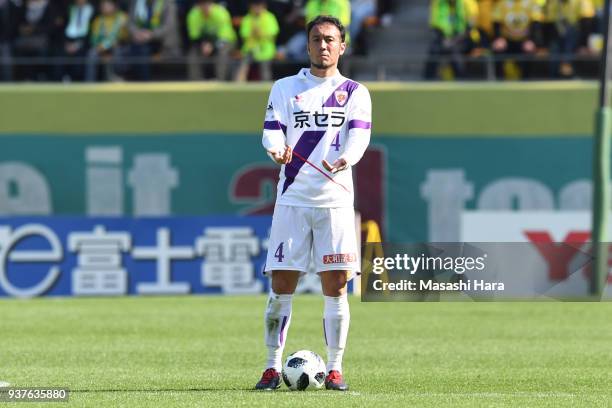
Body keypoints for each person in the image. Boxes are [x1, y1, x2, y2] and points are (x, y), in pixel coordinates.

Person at [254, 15, 371, 391]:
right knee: (282, 284)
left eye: (330, 39)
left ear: (342, 46)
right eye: (317, 39)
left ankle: (335, 368)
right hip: (292, 200)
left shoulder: (355, 92)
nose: (323, 45)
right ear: (307, 46)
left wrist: (346, 158)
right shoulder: (285, 88)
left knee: (336, 285)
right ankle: (272, 368)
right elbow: (272, 131)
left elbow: (358, 137)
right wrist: (276, 151)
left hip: (335, 201)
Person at [186, 0, 236, 80]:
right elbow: (194, 37)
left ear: (212, 3)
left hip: (225, 41)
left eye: (208, 3)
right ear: (198, 5)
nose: (206, 7)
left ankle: (220, 82)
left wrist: (212, 45)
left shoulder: (220, 13)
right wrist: (203, 45)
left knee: (222, 51)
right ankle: (196, 82)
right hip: (203, 43)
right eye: (202, 4)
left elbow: (224, 36)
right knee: (193, 54)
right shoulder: (193, 14)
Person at [235, 0, 279, 81]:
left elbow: (273, 34)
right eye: (255, 5)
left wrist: (260, 33)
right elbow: (244, 35)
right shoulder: (247, 18)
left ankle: (266, 85)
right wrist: (253, 33)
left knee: (265, 68)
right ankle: (238, 84)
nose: (257, 8)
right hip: (250, 48)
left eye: (259, 5)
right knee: (243, 65)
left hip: (265, 49)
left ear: (263, 6)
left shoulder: (270, 17)